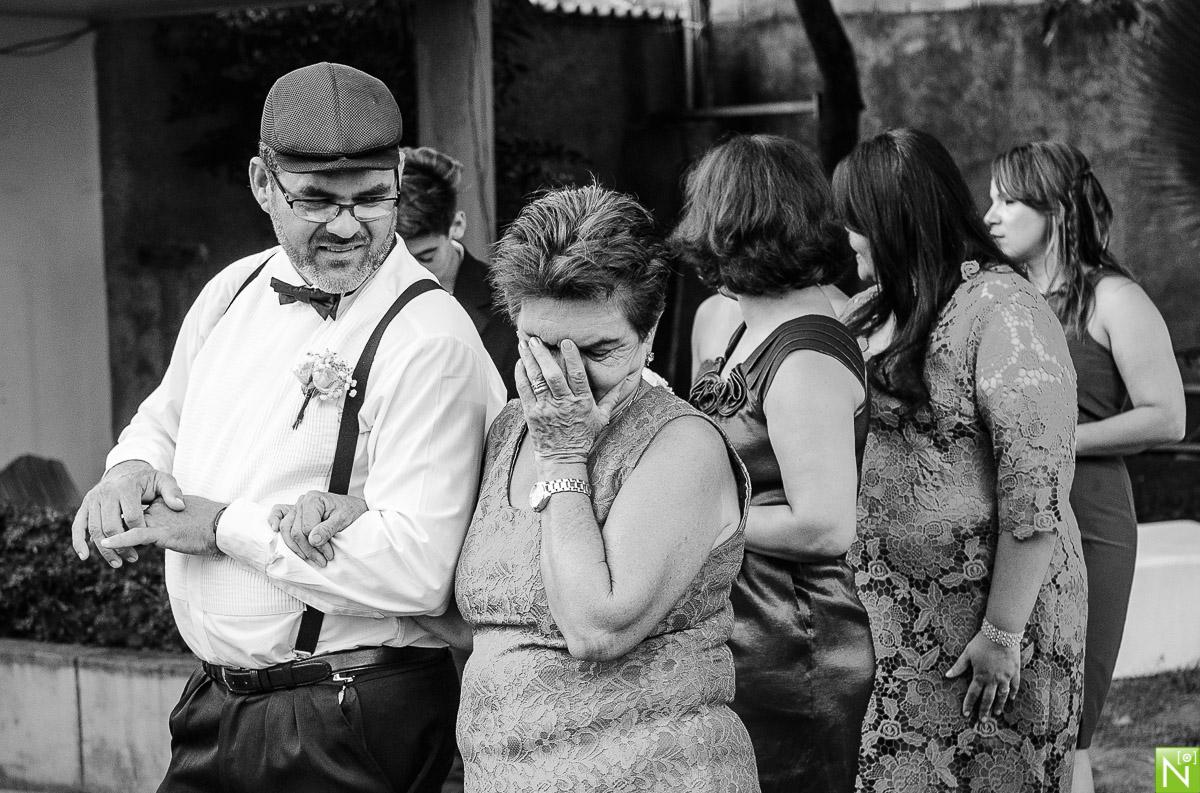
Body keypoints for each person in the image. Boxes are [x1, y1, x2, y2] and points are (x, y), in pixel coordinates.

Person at [70, 62, 505, 793]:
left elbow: (419, 567)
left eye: (371, 199)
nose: (345, 225)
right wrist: (129, 468)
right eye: (317, 200)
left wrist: (216, 526)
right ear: (262, 183)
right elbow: (163, 415)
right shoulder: (231, 289)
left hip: (346, 716)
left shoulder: (429, 336)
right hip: (216, 705)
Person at [454, 184, 758, 792]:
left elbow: (598, 628)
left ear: (649, 336)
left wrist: (565, 455)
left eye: (598, 350)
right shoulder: (512, 425)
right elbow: (482, 616)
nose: (570, 377)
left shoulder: (680, 443)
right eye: (540, 346)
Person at [833, 128, 1087, 792]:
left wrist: (1002, 632)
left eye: (855, 218)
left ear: (891, 218)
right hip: (892, 634)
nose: (847, 235)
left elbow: (1035, 479)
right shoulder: (872, 309)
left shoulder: (1006, 309)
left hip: (989, 634)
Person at [672, 134, 874, 793]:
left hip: (793, 641)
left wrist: (702, 522)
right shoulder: (741, 323)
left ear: (726, 223)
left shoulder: (805, 355)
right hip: (743, 628)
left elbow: (824, 525)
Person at [986, 141, 1186, 793]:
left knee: (1071, 721)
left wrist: (1061, 441)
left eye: (1008, 200)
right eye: (991, 199)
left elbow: (1167, 415)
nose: (992, 214)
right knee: (1009, 717)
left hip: (1090, 512)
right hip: (1007, 516)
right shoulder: (997, 299)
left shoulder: (1112, 298)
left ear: (1058, 210)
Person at [397, 146, 520, 399]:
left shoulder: (508, 302)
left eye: (426, 257)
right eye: (398, 258)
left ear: (458, 225)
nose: (410, 270)